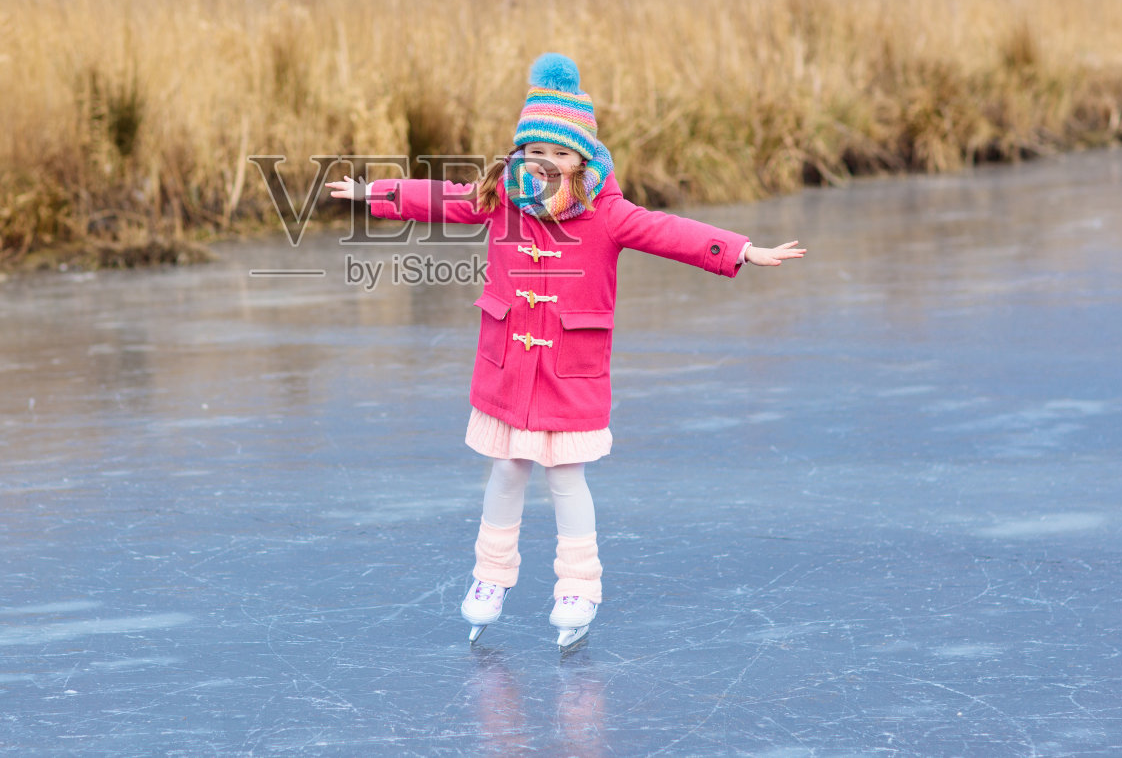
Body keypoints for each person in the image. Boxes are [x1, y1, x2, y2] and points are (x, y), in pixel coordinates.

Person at [327, 53, 804, 647]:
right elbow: (445, 197)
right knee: (506, 470)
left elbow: (669, 231)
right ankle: (490, 577)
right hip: (509, 367)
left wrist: (739, 249)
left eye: (559, 152)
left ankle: (578, 585)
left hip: (568, 371)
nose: (545, 163)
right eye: (535, 151)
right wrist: (376, 191)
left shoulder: (608, 214)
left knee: (565, 478)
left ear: (582, 157)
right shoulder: (503, 197)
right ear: (520, 151)